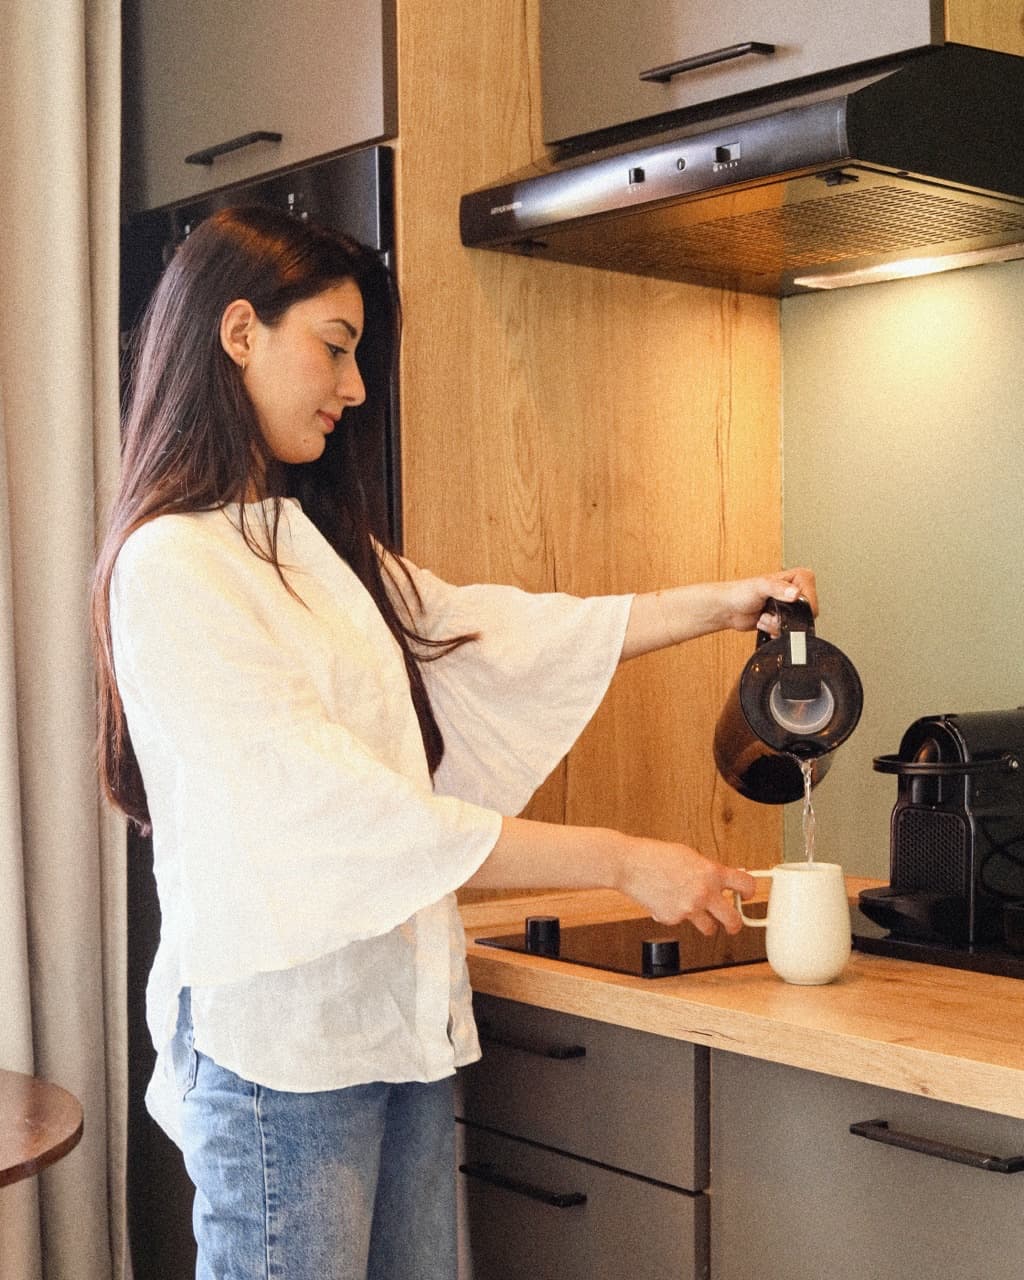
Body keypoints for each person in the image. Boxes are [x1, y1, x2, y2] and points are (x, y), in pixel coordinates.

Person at [92, 206, 817, 1280]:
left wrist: (720, 604)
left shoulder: (310, 544)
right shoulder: (173, 566)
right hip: (282, 1051)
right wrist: (622, 858)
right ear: (239, 331)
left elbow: (486, 634)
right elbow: (334, 812)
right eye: (335, 347)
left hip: (400, 1021)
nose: (355, 388)